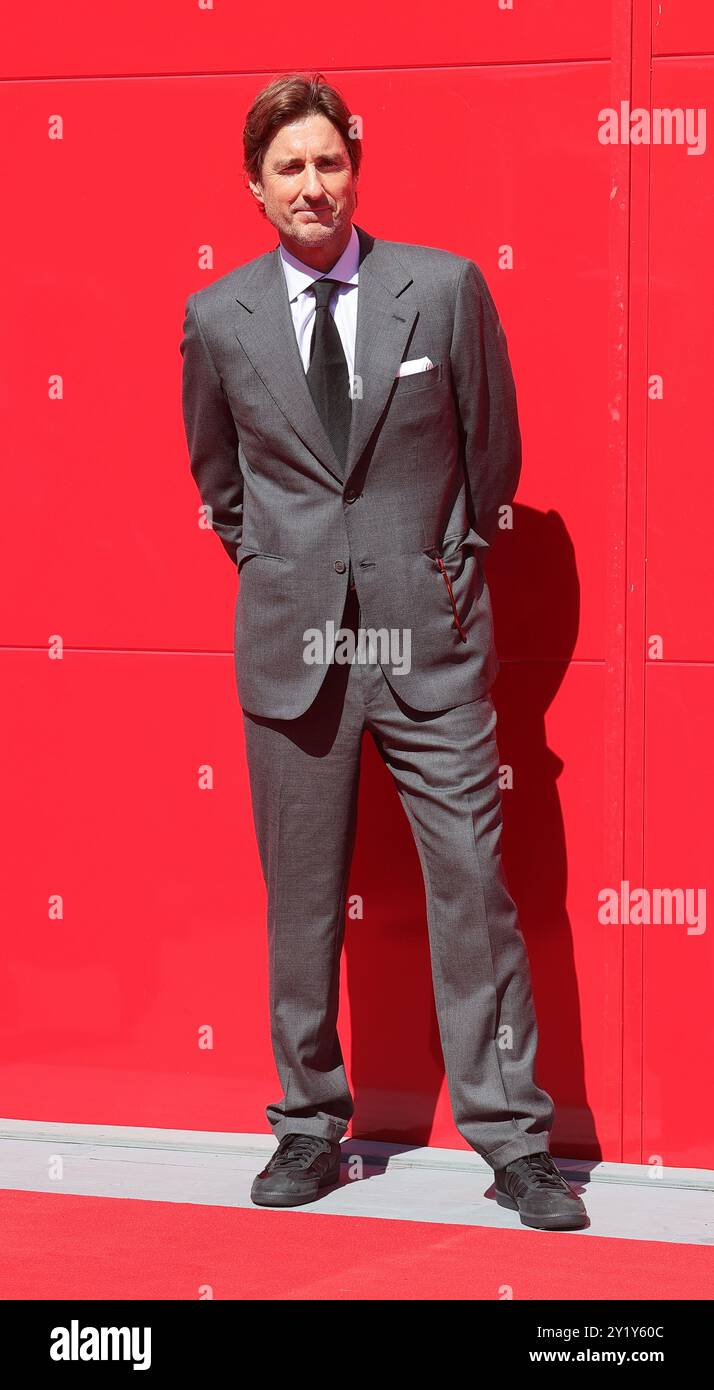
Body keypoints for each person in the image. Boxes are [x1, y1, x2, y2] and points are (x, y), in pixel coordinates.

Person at [180, 71, 588, 1233]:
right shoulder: (218, 318)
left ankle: (516, 1144)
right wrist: (283, 570)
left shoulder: (445, 290)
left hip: (430, 636)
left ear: (355, 166)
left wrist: (438, 569)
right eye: (289, 168)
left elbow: (490, 457)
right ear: (256, 188)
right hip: (294, 644)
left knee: (475, 896)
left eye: (330, 161)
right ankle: (309, 1130)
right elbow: (221, 485)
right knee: (299, 905)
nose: (315, 184)